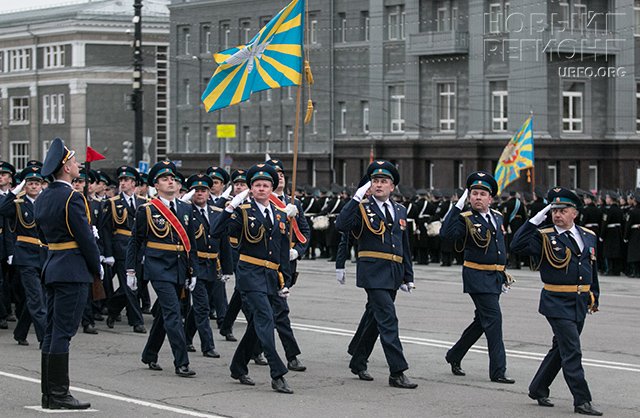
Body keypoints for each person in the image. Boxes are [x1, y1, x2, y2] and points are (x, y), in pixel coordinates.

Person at [510, 187, 602, 416]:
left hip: (580, 301)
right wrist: (535, 220)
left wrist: (594, 296)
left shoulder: (587, 236)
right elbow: (516, 246)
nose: (557, 214)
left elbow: (592, 269)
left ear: (575, 213)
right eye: (554, 210)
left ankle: (538, 387)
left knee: (560, 349)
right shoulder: (544, 237)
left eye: (563, 210)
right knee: (572, 349)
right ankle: (582, 400)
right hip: (556, 302)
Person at [211, 163, 294, 394]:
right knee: (266, 319)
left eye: (266, 185)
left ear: (271, 189)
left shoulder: (279, 214)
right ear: (250, 189)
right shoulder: (243, 212)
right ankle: (277, 373)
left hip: (271, 277)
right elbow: (215, 232)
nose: (261, 188)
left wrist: (285, 281)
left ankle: (238, 366)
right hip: (249, 275)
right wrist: (230, 208)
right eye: (257, 185)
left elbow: (282, 252)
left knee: (257, 327)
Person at [335, 160, 418, 389]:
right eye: (375, 181)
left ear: (392, 186)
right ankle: (397, 372)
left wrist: (408, 276)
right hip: (372, 273)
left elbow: (405, 246)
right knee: (388, 319)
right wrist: (355, 198)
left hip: (393, 272)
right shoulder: (362, 207)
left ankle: (358, 360)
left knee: (374, 318)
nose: (379, 185)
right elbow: (341, 225)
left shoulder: (400, 209)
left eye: (384, 181)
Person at [35, 137, 102, 409]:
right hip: (73, 270)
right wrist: (96, 266)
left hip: (52, 266)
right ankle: (59, 393)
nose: (76, 165)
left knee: (52, 332)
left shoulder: (43, 197)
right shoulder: (72, 197)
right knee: (62, 332)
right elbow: (85, 238)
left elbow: (42, 236)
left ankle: (49, 394)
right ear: (65, 168)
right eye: (73, 161)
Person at [440, 171, 514, 384]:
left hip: (495, 277)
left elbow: (499, 247)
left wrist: (503, 273)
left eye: (482, 194)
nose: (478, 197)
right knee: (494, 320)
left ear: (490, 198)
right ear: (468, 197)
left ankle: (454, 354)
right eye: (474, 194)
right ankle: (498, 371)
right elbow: (446, 234)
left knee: (482, 322)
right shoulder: (465, 219)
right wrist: (457, 206)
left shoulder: (497, 216)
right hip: (477, 277)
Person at [128, 161, 199, 377]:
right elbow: (135, 242)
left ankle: (150, 353)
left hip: (178, 268)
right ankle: (181, 362)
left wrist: (192, 270)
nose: (170, 182)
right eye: (165, 179)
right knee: (173, 313)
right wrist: (130, 271)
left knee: (164, 313)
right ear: (156, 185)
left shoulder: (186, 209)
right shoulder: (147, 210)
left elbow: (191, 245)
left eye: (173, 179)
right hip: (158, 267)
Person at [182, 173, 233, 358]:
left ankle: (186, 338)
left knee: (201, 306)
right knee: (202, 306)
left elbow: (224, 242)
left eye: (204, 190)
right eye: (196, 190)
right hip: (195, 264)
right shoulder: (186, 212)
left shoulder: (217, 213)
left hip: (214, 264)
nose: (200, 193)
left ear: (209, 192)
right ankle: (207, 345)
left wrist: (228, 268)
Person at [0, 166, 47, 346]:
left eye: (37, 183)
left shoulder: (46, 202)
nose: (34, 186)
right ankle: (45, 339)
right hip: (25, 256)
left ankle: (20, 332)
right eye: (30, 184)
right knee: (36, 299)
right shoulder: (18, 203)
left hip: (44, 255)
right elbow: (2, 209)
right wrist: (15, 191)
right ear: (25, 186)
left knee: (37, 297)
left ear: (42, 185)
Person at [102, 166, 146, 333]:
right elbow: (106, 229)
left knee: (137, 285)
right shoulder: (112, 202)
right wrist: (108, 253)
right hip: (122, 248)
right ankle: (137, 321)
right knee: (128, 285)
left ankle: (112, 309)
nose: (123, 183)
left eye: (126, 180)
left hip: (139, 248)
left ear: (134, 183)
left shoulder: (143, 202)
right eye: (121, 180)